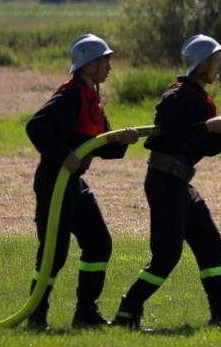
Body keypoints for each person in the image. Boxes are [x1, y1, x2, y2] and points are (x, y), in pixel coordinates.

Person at [113, 34, 221, 328]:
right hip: (164, 182)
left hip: (180, 184)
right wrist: (208, 126)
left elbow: (202, 147)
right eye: (217, 61)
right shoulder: (177, 97)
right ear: (202, 64)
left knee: (210, 245)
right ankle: (127, 312)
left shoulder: (201, 99)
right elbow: (174, 137)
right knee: (166, 257)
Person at [24, 33, 140, 330]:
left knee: (98, 243)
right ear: (89, 65)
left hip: (74, 183)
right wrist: (64, 155)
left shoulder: (92, 98)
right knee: (54, 250)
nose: (110, 68)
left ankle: (85, 312)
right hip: (55, 180)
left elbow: (106, 147)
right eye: (105, 61)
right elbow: (36, 127)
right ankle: (36, 315)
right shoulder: (71, 94)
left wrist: (124, 140)